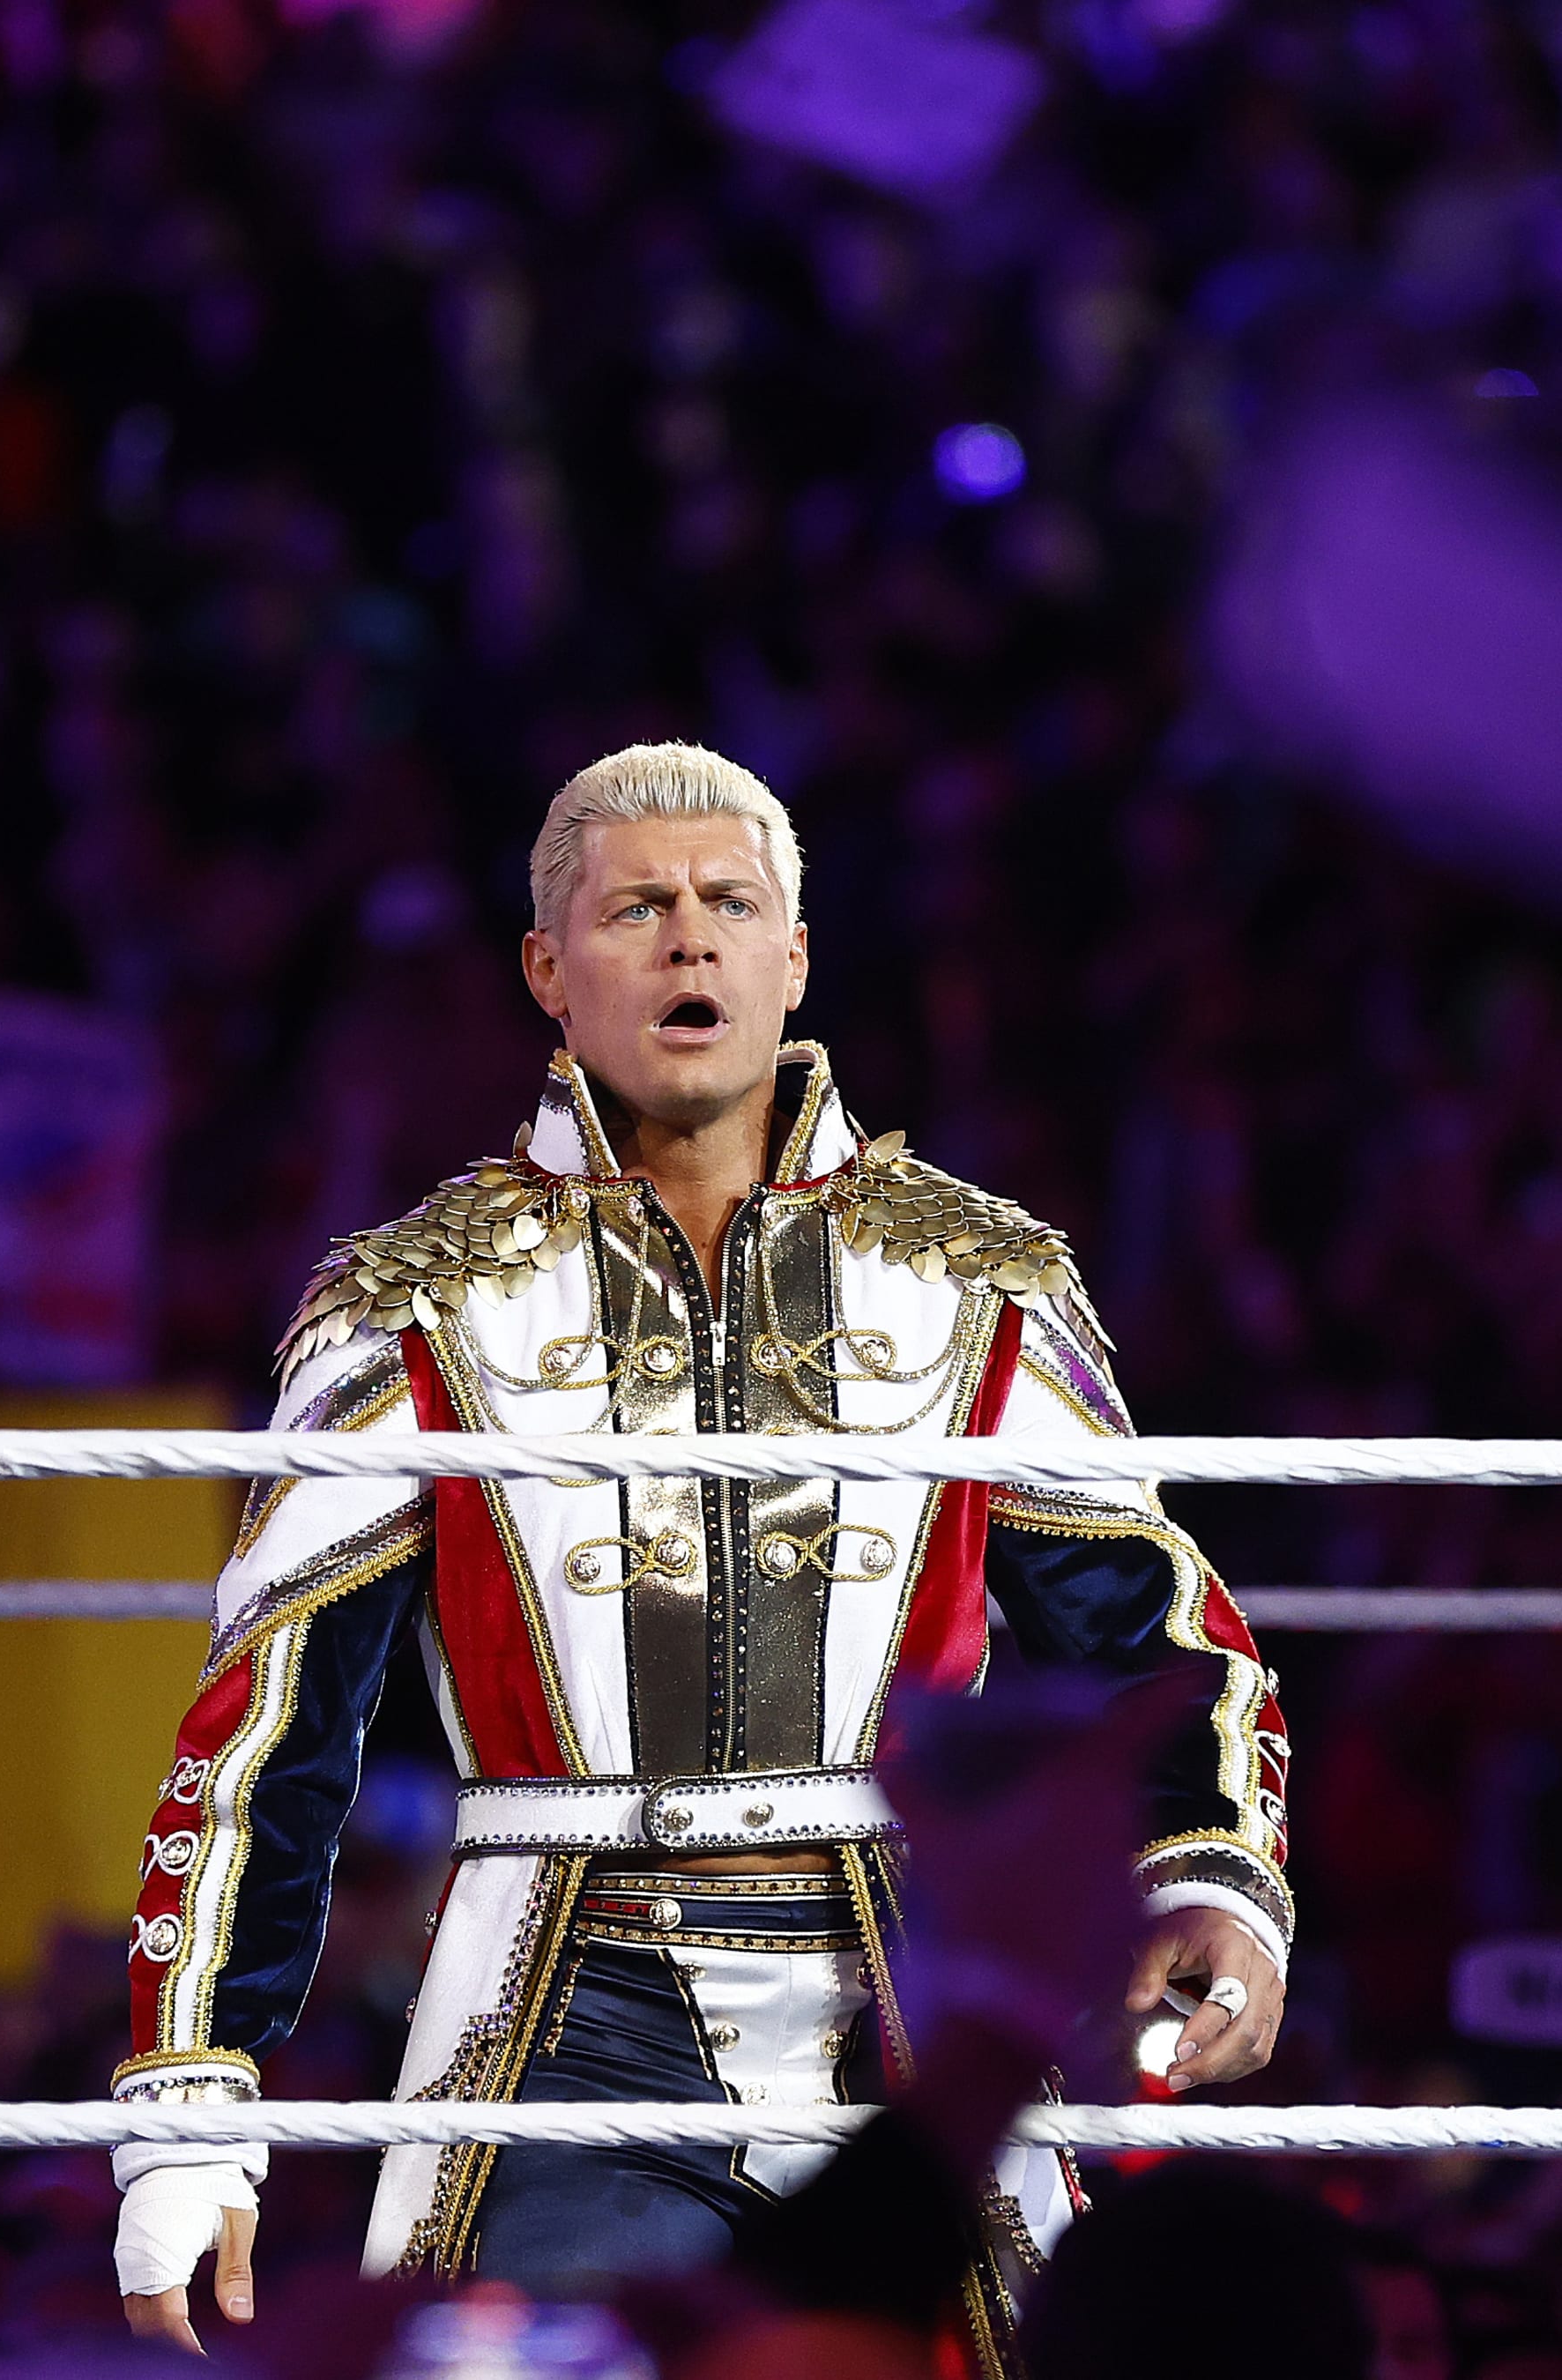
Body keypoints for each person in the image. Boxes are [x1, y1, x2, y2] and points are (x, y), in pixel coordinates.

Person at [110, 743, 1291, 2370]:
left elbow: (1153, 1629)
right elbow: (271, 1723)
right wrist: (192, 2094)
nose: (690, 943)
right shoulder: (415, 1302)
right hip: (563, 1997)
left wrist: (1212, 1874)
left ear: (795, 957)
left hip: (906, 1990)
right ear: (548, 970)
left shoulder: (976, 1283)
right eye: (639, 909)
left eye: (732, 904)